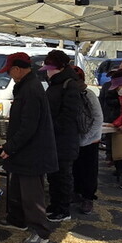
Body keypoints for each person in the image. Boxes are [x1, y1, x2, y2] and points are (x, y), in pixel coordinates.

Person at [0, 52, 56, 243]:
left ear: (18, 69)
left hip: (33, 151)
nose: (9, 75)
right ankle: (17, 219)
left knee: (32, 194)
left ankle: (40, 231)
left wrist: (10, 147)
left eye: (10, 71)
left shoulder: (31, 89)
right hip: (25, 150)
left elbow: (28, 126)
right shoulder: (25, 86)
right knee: (17, 188)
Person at [41, 50, 82, 222]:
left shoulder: (70, 85)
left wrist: (52, 128)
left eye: (50, 69)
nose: (48, 72)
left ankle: (63, 210)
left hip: (64, 139)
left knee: (63, 175)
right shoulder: (55, 84)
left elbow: (69, 115)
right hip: (53, 139)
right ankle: (54, 205)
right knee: (53, 175)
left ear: (60, 68)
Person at [71, 66, 103, 215]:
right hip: (76, 138)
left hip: (91, 140)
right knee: (76, 168)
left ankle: (88, 198)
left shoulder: (89, 94)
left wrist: (87, 137)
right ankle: (76, 192)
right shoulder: (71, 94)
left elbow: (98, 118)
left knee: (89, 170)